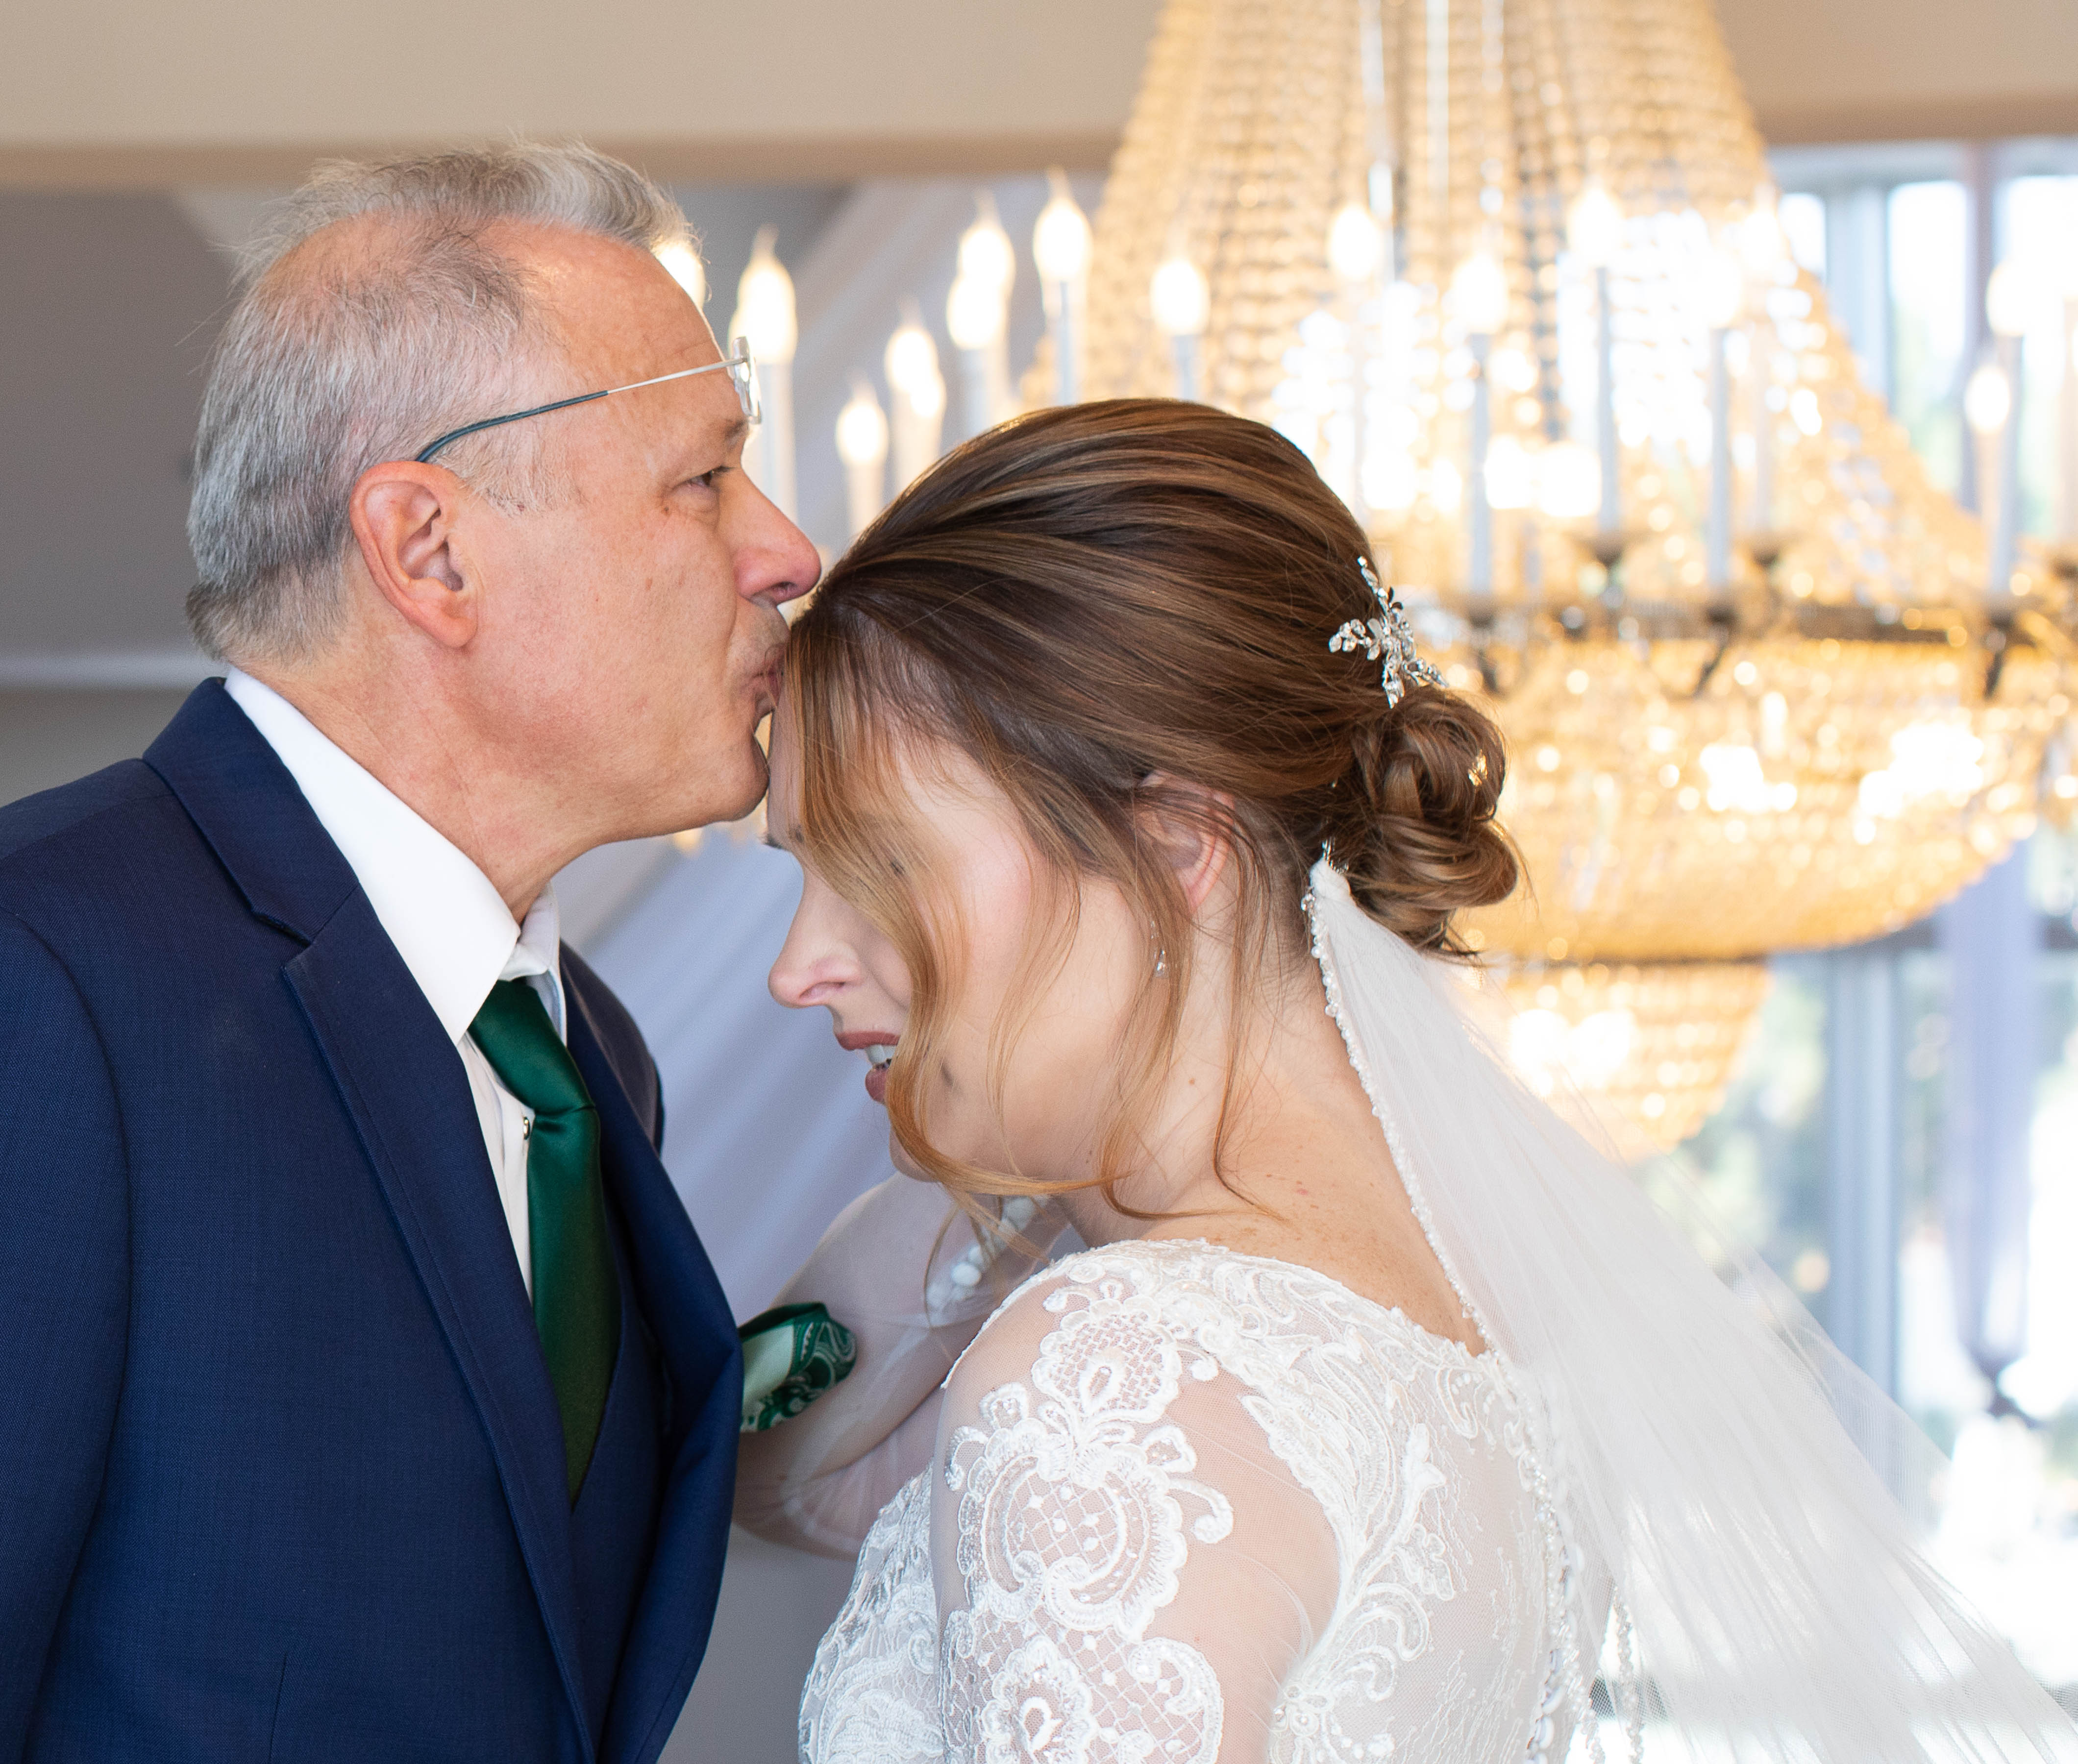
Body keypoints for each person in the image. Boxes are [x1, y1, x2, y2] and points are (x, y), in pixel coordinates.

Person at [0, 143, 815, 1763]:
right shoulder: (8, 1001)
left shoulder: (589, 1053)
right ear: (430, 551)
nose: (787, 550)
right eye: (705, 478)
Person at [742, 399, 2078, 1762]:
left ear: (1175, 843)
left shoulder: (1116, 1363)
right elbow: (757, 1467)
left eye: (881, 865)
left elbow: (763, 1472)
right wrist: (1013, 1176)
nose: (801, 967)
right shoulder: (1479, 1314)